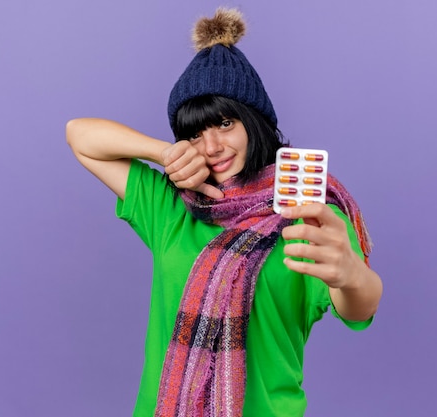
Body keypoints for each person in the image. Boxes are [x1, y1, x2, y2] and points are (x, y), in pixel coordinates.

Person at [66, 7, 382, 417]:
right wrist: (163, 153)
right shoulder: (172, 208)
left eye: (226, 123)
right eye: (194, 134)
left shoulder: (307, 211)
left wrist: (352, 274)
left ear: (255, 123)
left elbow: (359, 308)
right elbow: (80, 135)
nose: (211, 146)